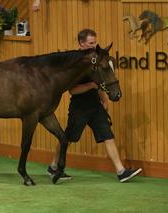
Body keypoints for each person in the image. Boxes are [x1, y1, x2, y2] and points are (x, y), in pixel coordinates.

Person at [48, 29, 142, 183]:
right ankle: (53, 166)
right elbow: (73, 90)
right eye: (91, 43)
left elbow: (101, 82)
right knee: (68, 138)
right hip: (79, 107)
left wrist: (104, 99)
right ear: (81, 43)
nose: (94, 46)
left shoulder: (95, 60)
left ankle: (121, 171)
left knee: (108, 135)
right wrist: (92, 85)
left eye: (95, 43)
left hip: (95, 105)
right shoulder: (75, 63)